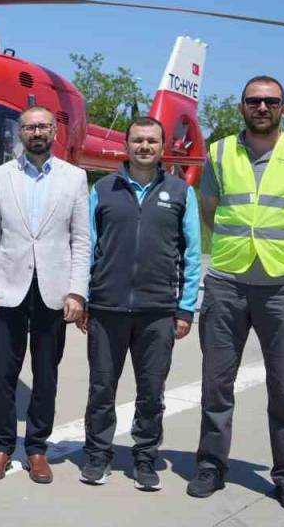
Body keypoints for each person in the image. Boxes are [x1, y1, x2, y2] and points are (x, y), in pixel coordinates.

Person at [187, 75, 284, 515]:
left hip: (281, 287)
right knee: (216, 385)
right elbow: (210, 211)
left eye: (271, 101)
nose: (262, 107)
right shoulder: (220, 152)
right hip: (227, 281)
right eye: (254, 101)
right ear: (241, 107)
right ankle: (210, 466)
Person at [78, 116, 201, 491]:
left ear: (162, 147)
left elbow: (193, 254)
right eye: (137, 141)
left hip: (158, 312)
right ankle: (98, 454)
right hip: (106, 309)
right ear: (126, 145)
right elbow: (86, 247)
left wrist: (185, 307)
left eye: (151, 141)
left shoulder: (181, 192)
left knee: (151, 392)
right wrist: (83, 297)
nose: (144, 147)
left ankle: (145, 457)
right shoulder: (103, 188)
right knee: (101, 389)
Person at [0, 105, 90, 484]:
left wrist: (77, 291)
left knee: (45, 375)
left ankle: (37, 448)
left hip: (53, 292)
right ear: (20, 134)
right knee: (3, 374)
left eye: (42, 126)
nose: (36, 133)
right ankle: (2, 446)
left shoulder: (75, 178)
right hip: (8, 289)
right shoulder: (0, 176)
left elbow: (81, 240)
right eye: (29, 127)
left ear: (54, 131)